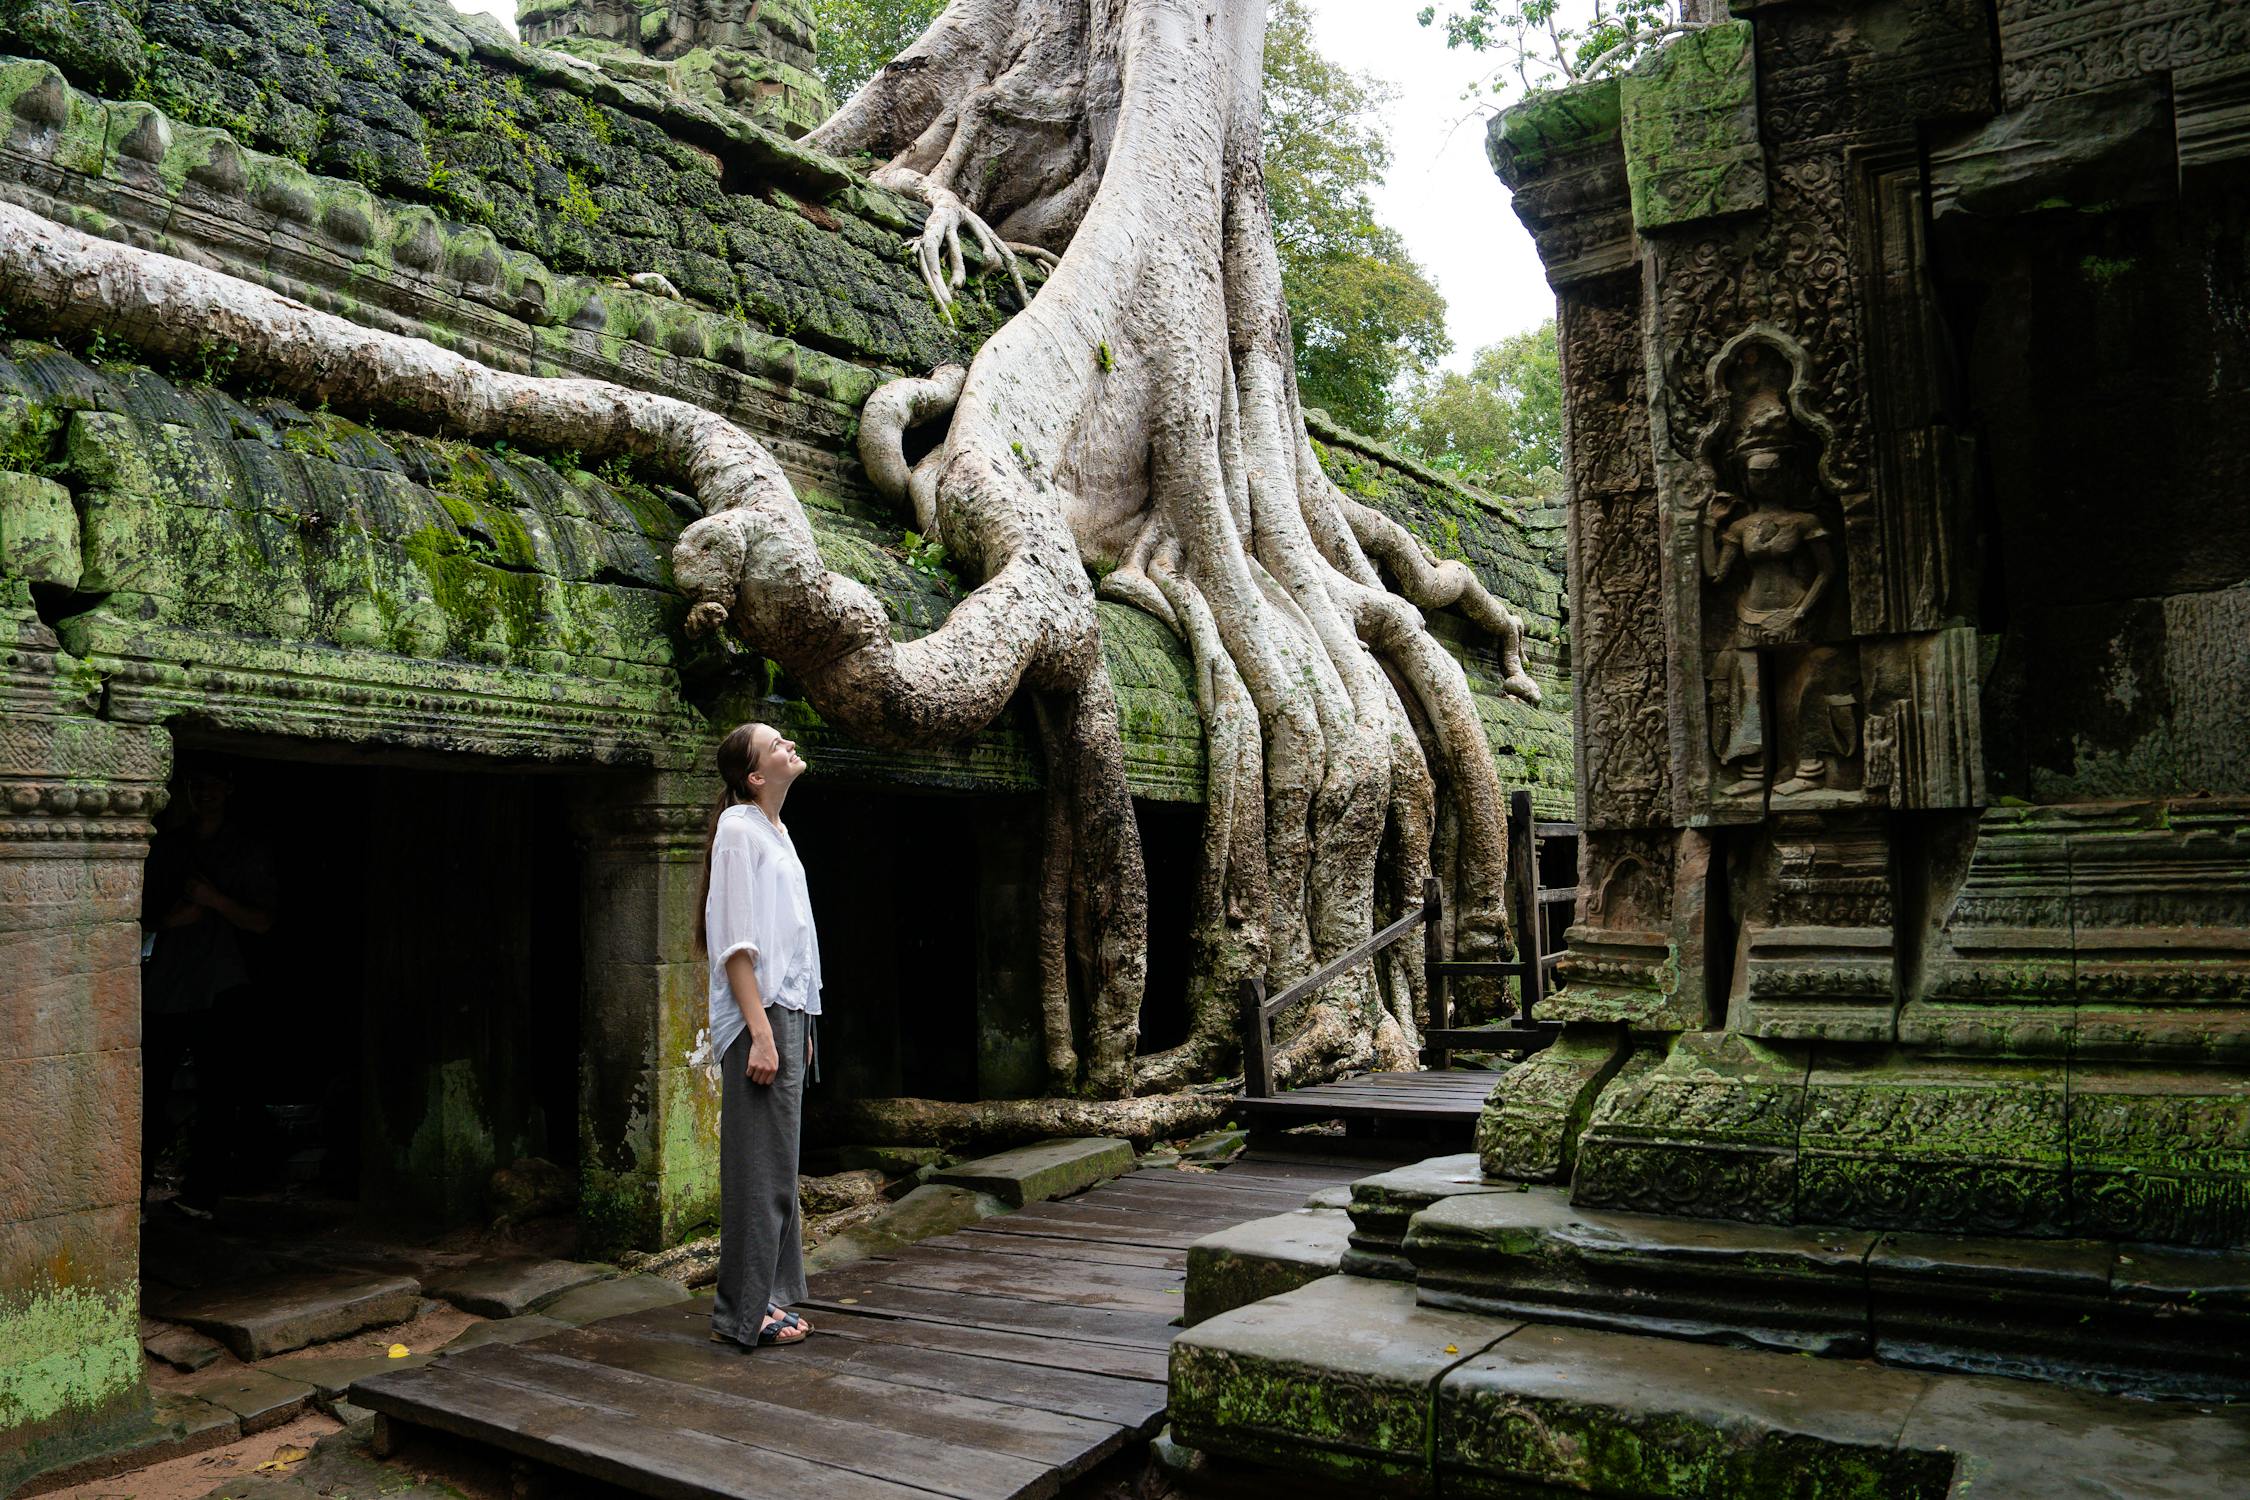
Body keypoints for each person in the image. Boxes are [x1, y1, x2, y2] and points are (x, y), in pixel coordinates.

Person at [696, 721, 822, 1349]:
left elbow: (793, 939)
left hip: (784, 1011)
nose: (789, 746)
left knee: (778, 1167)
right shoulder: (738, 830)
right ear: (753, 775)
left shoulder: (776, 831)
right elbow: (736, 943)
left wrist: (799, 1022)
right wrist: (761, 1032)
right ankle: (740, 1313)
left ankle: (767, 1298)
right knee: (756, 1168)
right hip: (759, 1015)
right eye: (776, 745)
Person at [141, 761, 276, 1211]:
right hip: (166, 984)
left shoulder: (246, 849)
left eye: (214, 784)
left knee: (218, 1093)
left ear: (229, 789)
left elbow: (262, 921)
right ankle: (132, 1196)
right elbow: (140, 915)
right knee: (149, 1092)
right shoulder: (169, 847)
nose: (206, 793)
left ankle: (201, 1195)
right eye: (198, 785)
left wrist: (214, 900)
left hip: (221, 984)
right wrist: (171, 920)